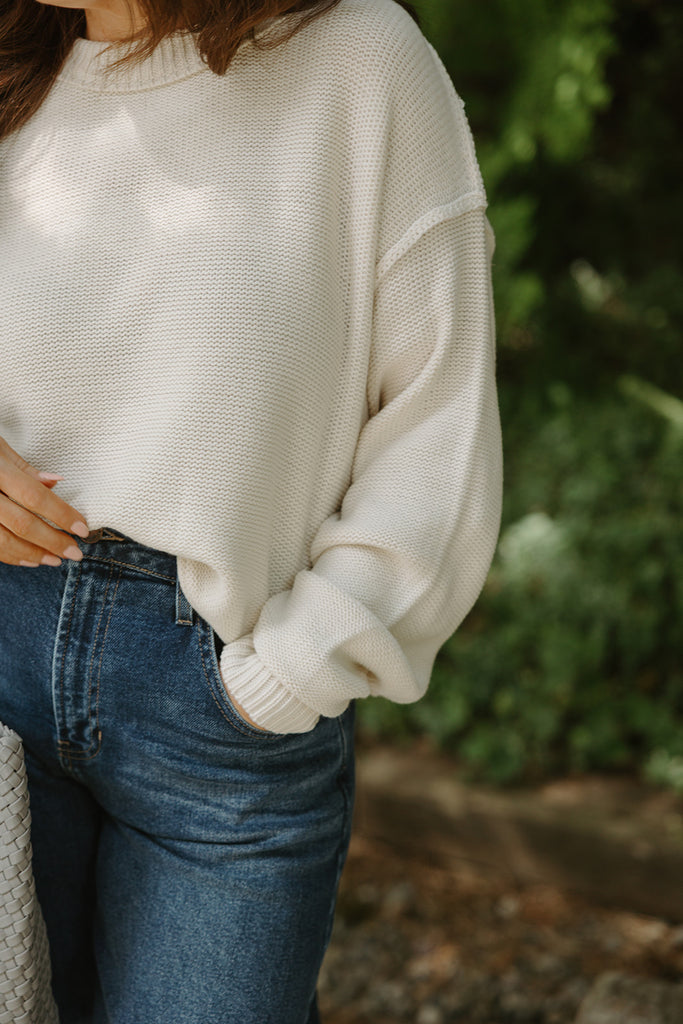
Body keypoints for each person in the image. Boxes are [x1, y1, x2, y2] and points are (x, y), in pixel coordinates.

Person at [0, 0, 503, 1019]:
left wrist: (287, 676)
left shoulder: (362, 62)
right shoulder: (15, 65)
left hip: (224, 718)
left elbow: (434, 428)